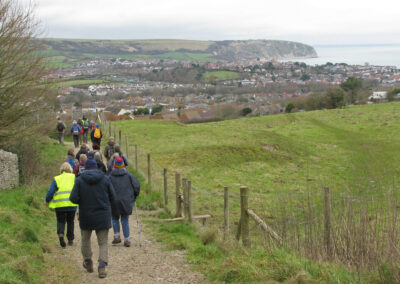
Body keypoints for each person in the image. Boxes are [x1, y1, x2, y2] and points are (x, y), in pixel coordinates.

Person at [69, 158, 116, 279]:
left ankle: (88, 262)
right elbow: (113, 196)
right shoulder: (105, 179)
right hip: (103, 215)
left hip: (86, 215)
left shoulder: (79, 180)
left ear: (85, 168)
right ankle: (101, 266)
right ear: (96, 167)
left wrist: (83, 201)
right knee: (103, 242)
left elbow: (73, 198)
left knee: (85, 239)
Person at [109, 157, 140, 247]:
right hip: (126, 201)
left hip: (114, 201)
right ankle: (127, 239)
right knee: (125, 219)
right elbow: (137, 186)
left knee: (115, 218)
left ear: (114, 165)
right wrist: (134, 196)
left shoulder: (110, 177)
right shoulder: (129, 176)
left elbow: (106, 188)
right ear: (123, 165)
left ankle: (117, 236)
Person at [46, 162, 78, 248]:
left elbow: (50, 192)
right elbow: (78, 189)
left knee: (61, 221)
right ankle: (70, 239)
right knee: (70, 221)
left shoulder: (57, 179)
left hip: (59, 205)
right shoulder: (73, 178)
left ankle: (61, 234)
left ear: (61, 169)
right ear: (70, 169)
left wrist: (47, 200)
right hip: (71, 204)